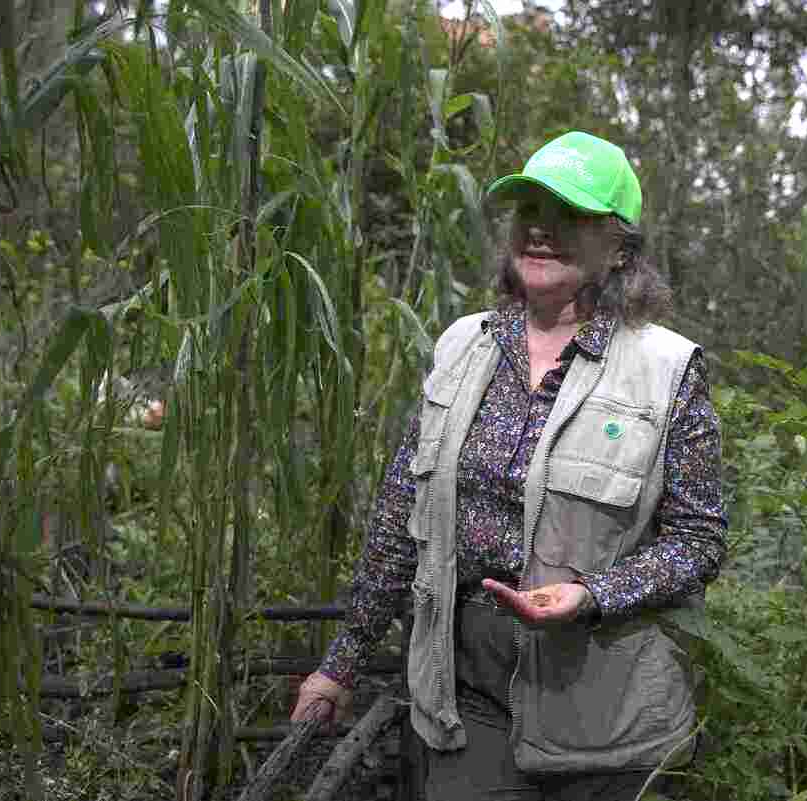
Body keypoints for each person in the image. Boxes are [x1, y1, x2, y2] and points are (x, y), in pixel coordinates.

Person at [291, 131, 727, 800]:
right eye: (528, 211)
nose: (542, 231)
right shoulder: (463, 346)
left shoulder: (667, 370)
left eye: (570, 215)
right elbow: (397, 523)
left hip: (603, 705)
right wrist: (340, 665)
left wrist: (594, 594)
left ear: (619, 246)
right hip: (466, 696)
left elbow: (698, 542)